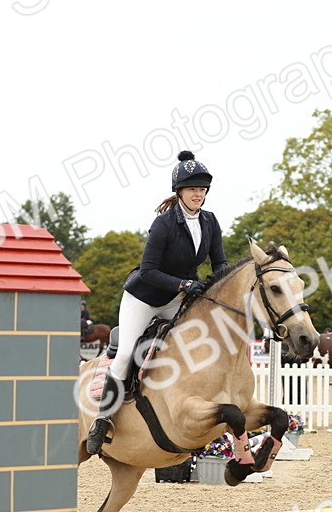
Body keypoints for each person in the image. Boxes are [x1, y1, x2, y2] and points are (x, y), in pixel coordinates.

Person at [86, 150, 228, 455]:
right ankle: (102, 418)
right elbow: (148, 271)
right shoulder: (164, 224)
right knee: (124, 353)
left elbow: (220, 264)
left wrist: (222, 290)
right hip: (145, 297)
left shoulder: (210, 222)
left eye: (202, 190)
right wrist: (184, 284)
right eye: (192, 189)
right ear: (179, 191)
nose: (198, 195)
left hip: (179, 299)